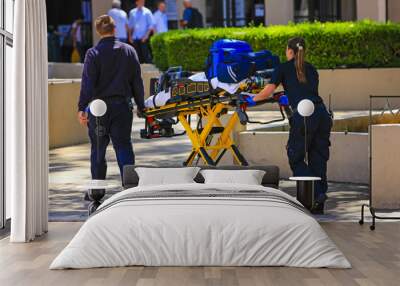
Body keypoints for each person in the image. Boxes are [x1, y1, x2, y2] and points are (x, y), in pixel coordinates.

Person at [246, 37, 332, 214]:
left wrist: (251, 99)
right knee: (318, 157)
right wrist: (288, 96)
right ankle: (319, 201)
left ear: (290, 51)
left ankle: (316, 193)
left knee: (295, 156)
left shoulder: (283, 68)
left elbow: (267, 91)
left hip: (304, 115)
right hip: (322, 113)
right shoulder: (312, 68)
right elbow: (306, 90)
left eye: (286, 50)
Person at [78, 15, 145, 195]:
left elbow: (88, 84)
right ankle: (131, 189)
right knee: (123, 146)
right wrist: (141, 106)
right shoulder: (129, 51)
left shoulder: (93, 53)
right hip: (122, 107)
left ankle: (97, 193)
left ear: (98, 31)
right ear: (115, 29)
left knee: (98, 149)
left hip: (98, 109)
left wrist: (81, 108)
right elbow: (136, 82)